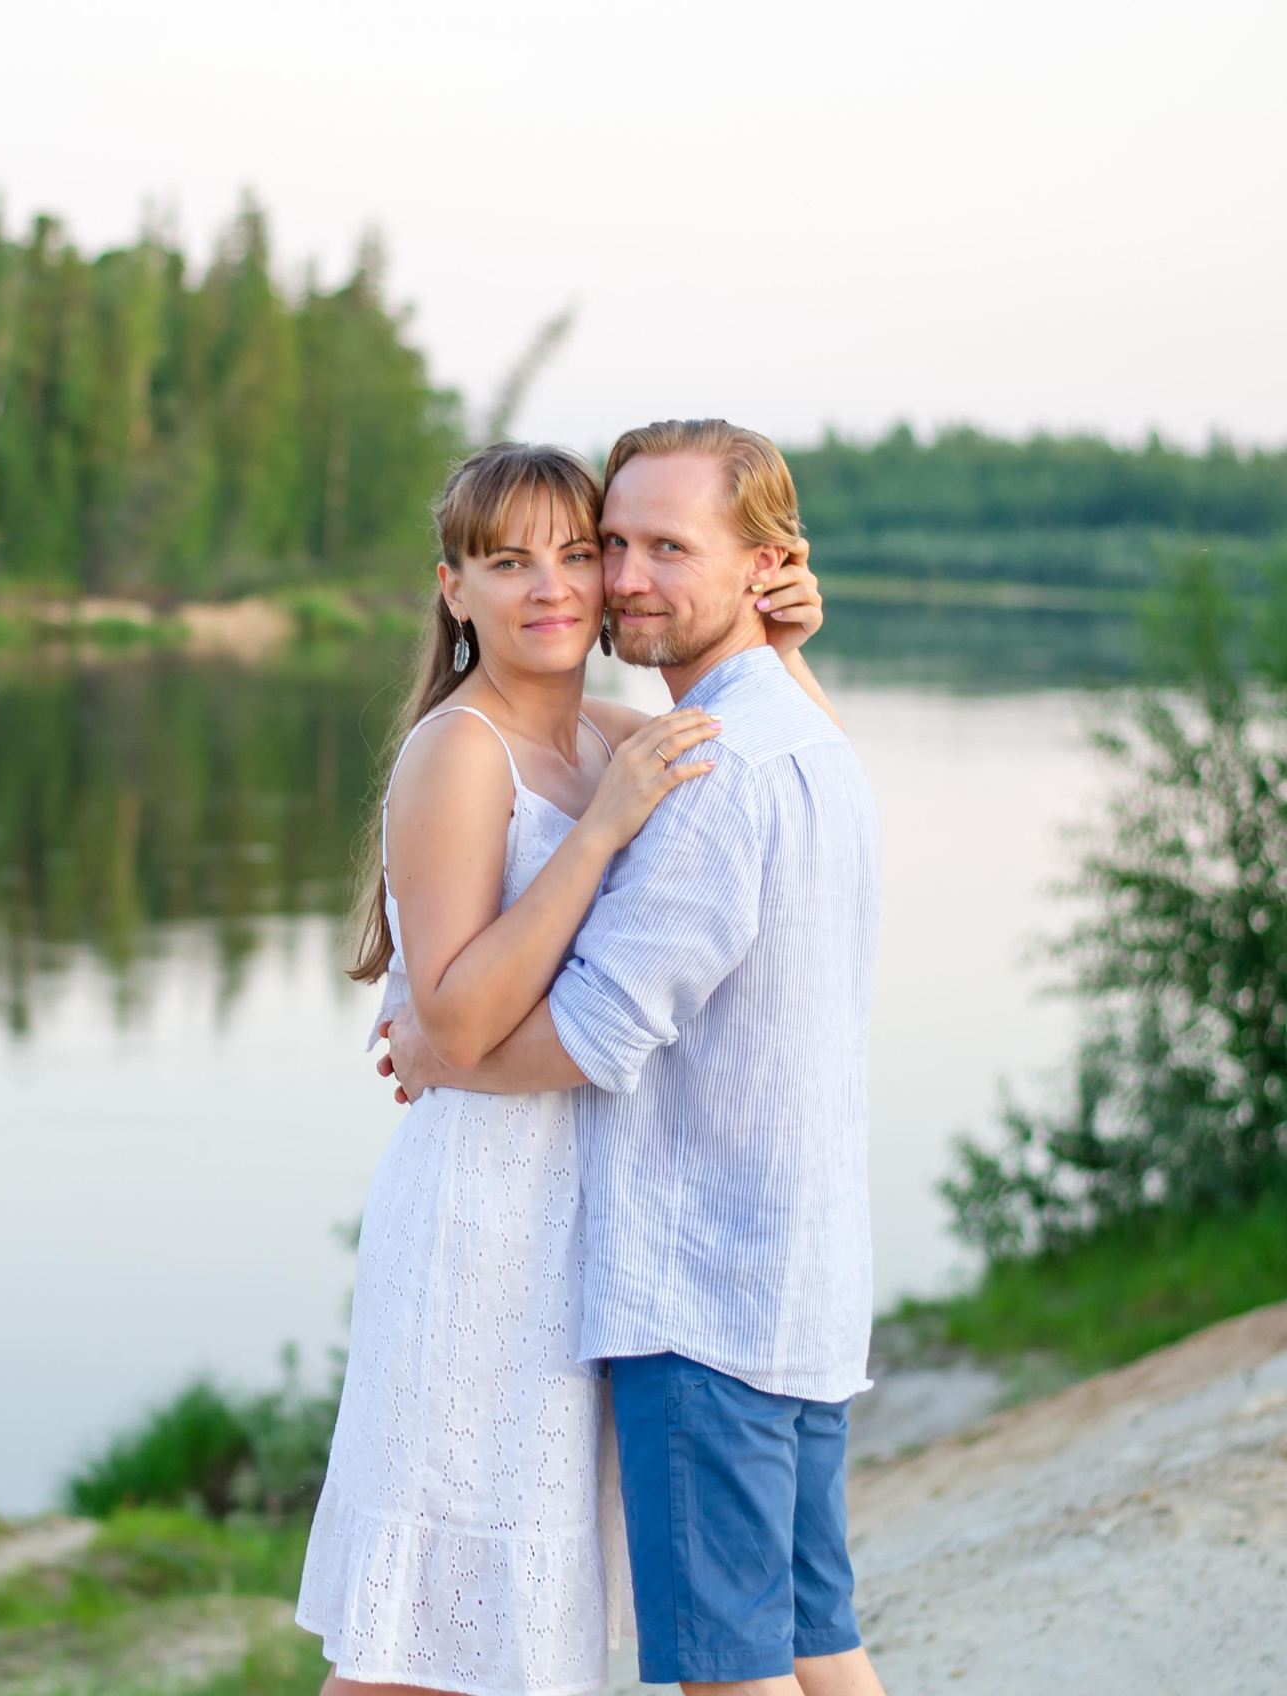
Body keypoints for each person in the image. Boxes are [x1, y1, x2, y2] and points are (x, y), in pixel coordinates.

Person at [295, 439, 835, 1696]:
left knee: (511, 1638)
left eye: (575, 553)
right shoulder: (459, 750)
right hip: (480, 1228)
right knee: (412, 1651)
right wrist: (599, 834)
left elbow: (797, 784)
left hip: (583, 1230)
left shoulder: (611, 732)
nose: (550, 585)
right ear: (452, 588)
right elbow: (461, 1017)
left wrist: (782, 642)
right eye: (506, 560)